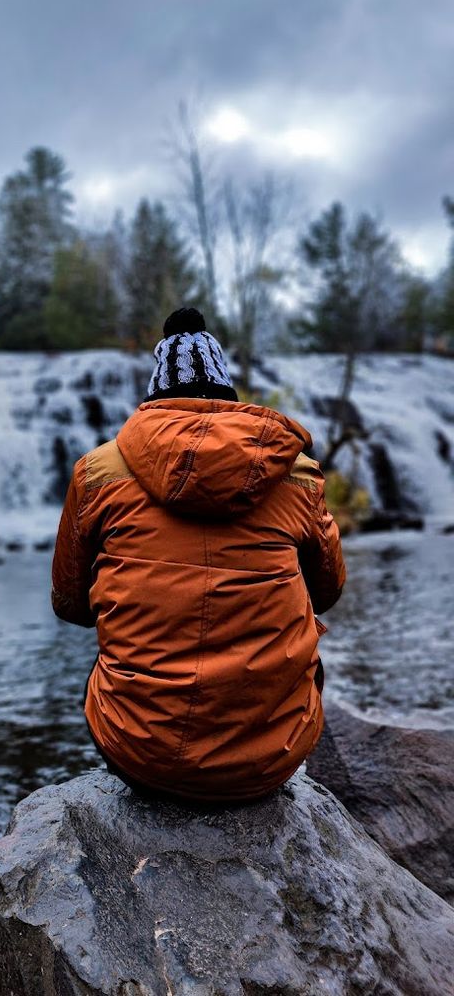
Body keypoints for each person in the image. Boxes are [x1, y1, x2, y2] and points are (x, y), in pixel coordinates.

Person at [51, 307, 346, 804]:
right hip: (272, 761)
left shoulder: (96, 473)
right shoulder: (297, 474)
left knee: (102, 668)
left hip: (139, 754)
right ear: (228, 395)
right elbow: (328, 592)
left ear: (155, 395)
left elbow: (71, 606)